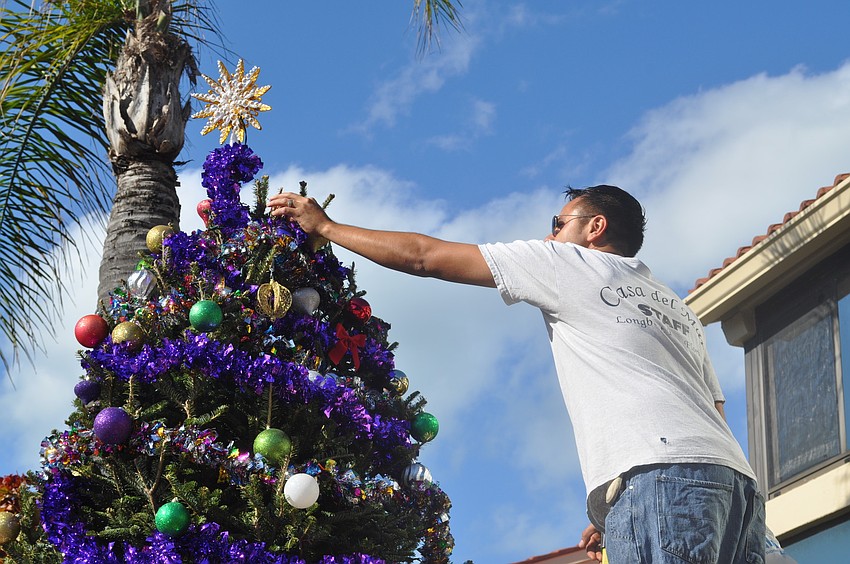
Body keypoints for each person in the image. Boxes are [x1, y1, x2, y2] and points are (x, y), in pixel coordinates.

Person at [269, 185, 765, 563]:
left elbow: (426, 257)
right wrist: (617, 504)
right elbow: (714, 414)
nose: (550, 234)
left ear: (594, 227)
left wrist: (326, 227)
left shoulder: (566, 262)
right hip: (737, 488)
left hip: (657, 475)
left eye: (559, 222)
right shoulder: (675, 307)